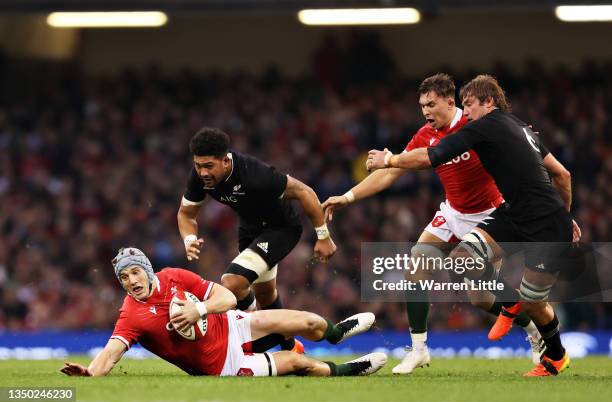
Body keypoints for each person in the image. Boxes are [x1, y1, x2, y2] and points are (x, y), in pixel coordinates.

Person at [322, 73, 543, 374]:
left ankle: (534, 330)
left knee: (480, 297)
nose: (425, 112)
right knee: (416, 264)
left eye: (431, 104)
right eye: (421, 106)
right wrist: (347, 197)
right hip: (452, 213)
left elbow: (512, 138)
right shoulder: (426, 134)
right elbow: (390, 172)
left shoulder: (477, 126)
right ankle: (418, 350)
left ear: (450, 102)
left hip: (490, 217)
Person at [366, 74, 581, 377]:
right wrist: (567, 215)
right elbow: (563, 175)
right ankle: (509, 306)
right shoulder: (519, 127)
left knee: (534, 302)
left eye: (469, 106)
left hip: (543, 222)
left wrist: (390, 159)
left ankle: (555, 355)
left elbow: (433, 156)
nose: (464, 113)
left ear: (489, 102)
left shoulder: (486, 126)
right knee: (462, 259)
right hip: (513, 213)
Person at [60, 248, 386, 378]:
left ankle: (336, 334)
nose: (131, 281)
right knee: (299, 363)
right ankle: (347, 371)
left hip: (233, 325)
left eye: (134, 273)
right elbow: (110, 353)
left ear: (146, 270)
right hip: (223, 366)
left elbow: (227, 296)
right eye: (124, 278)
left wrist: (198, 309)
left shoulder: (175, 276)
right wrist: (90, 373)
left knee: (308, 320)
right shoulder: (131, 315)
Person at [177, 127, 337, 353]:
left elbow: (304, 191)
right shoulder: (200, 177)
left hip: (280, 229)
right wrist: (189, 238)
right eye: (198, 165)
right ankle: (290, 347)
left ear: (225, 161)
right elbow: (186, 214)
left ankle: (254, 324)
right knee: (265, 293)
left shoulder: (256, 175)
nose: (202, 172)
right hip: (250, 230)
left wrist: (323, 236)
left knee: (233, 281)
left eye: (208, 166)